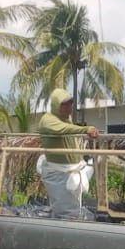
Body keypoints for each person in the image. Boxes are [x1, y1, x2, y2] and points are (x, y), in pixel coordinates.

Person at [36, 88, 97, 219]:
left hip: (70, 171)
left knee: (73, 206)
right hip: (59, 174)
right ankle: (65, 228)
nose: (69, 107)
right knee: (65, 210)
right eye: (65, 104)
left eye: (70, 103)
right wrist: (86, 129)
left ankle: (71, 223)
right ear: (56, 105)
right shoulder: (48, 120)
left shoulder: (66, 119)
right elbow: (65, 130)